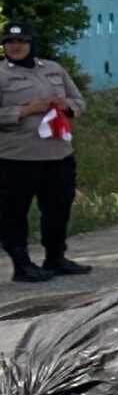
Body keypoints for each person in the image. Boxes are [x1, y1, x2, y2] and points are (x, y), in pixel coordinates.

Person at [0, 21, 85, 282]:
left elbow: (79, 101)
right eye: (10, 43)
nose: (15, 47)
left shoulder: (53, 69)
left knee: (58, 207)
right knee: (14, 212)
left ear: (31, 43)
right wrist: (24, 110)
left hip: (58, 153)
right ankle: (22, 264)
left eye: (21, 42)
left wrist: (66, 105)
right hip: (17, 156)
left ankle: (55, 257)